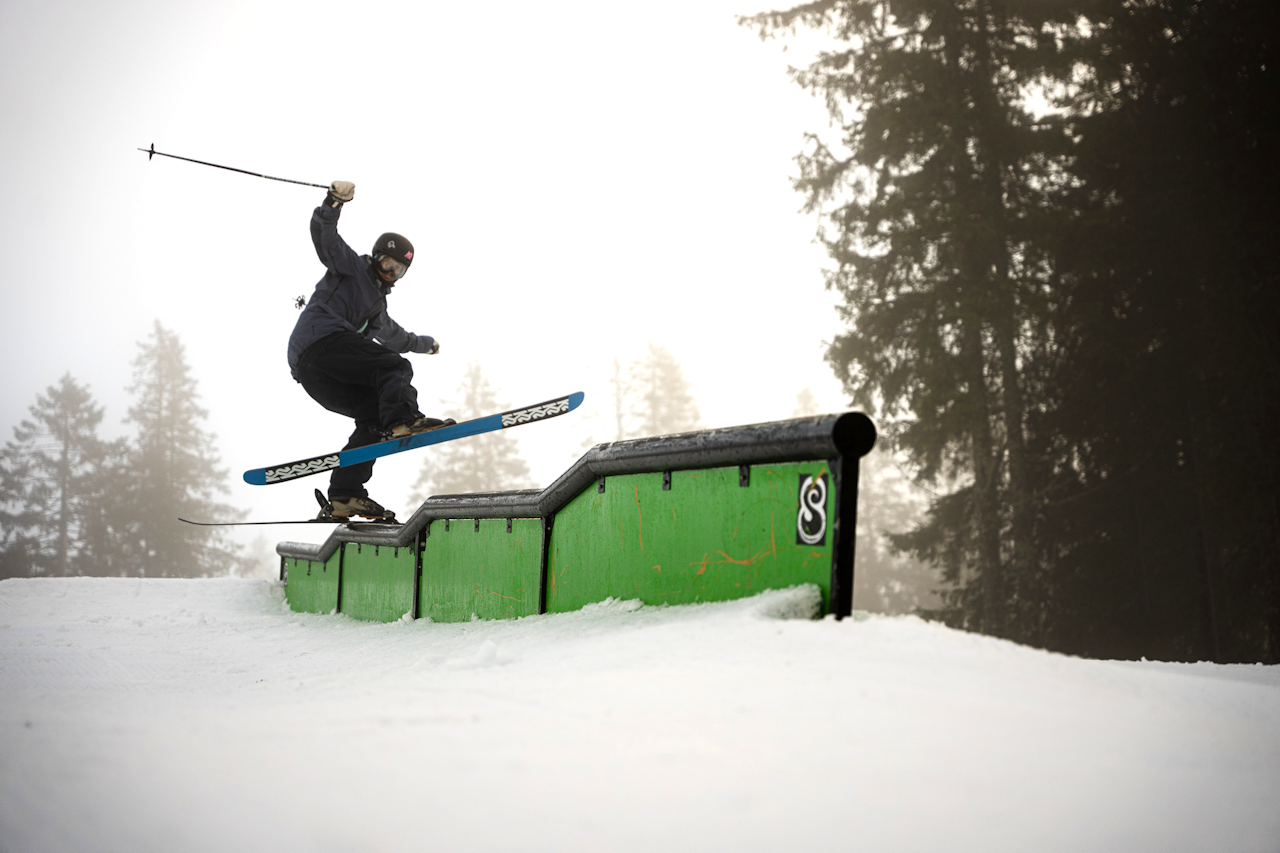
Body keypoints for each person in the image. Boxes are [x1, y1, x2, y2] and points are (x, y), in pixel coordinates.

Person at [287, 180, 452, 520]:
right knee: (393, 367)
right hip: (320, 341)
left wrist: (425, 344)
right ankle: (404, 420)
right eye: (386, 262)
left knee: (375, 418)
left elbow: (395, 337)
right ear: (375, 256)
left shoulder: (376, 308)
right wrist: (333, 203)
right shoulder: (352, 268)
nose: (389, 272)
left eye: (398, 270)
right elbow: (326, 238)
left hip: (316, 376)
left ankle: (345, 494)